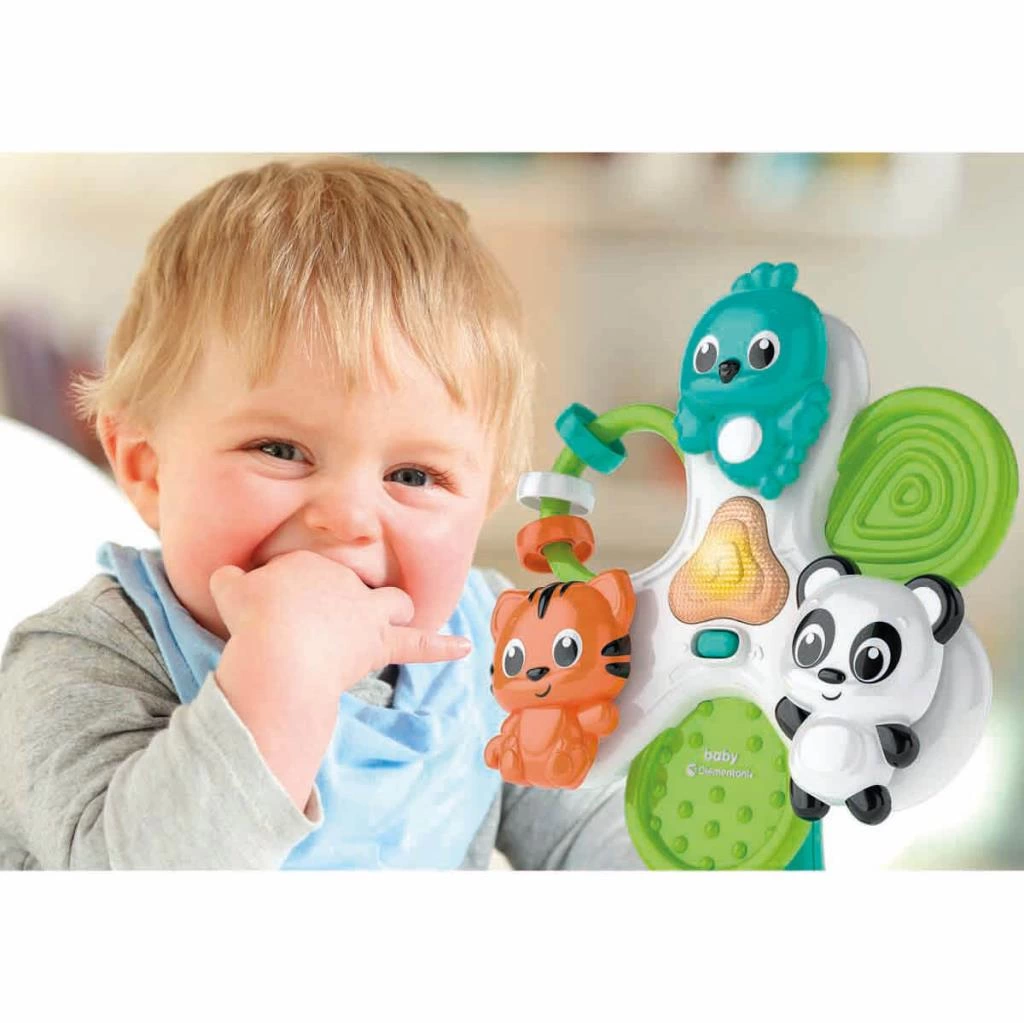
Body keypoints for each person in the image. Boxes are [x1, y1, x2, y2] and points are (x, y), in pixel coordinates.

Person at [0, 157, 643, 869]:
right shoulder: (81, 663)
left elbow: (591, 832)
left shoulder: (492, 647)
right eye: (280, 450)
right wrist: (285, 670)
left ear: (484, 502)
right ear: (148, 467)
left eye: (413, 475)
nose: (347, 516)